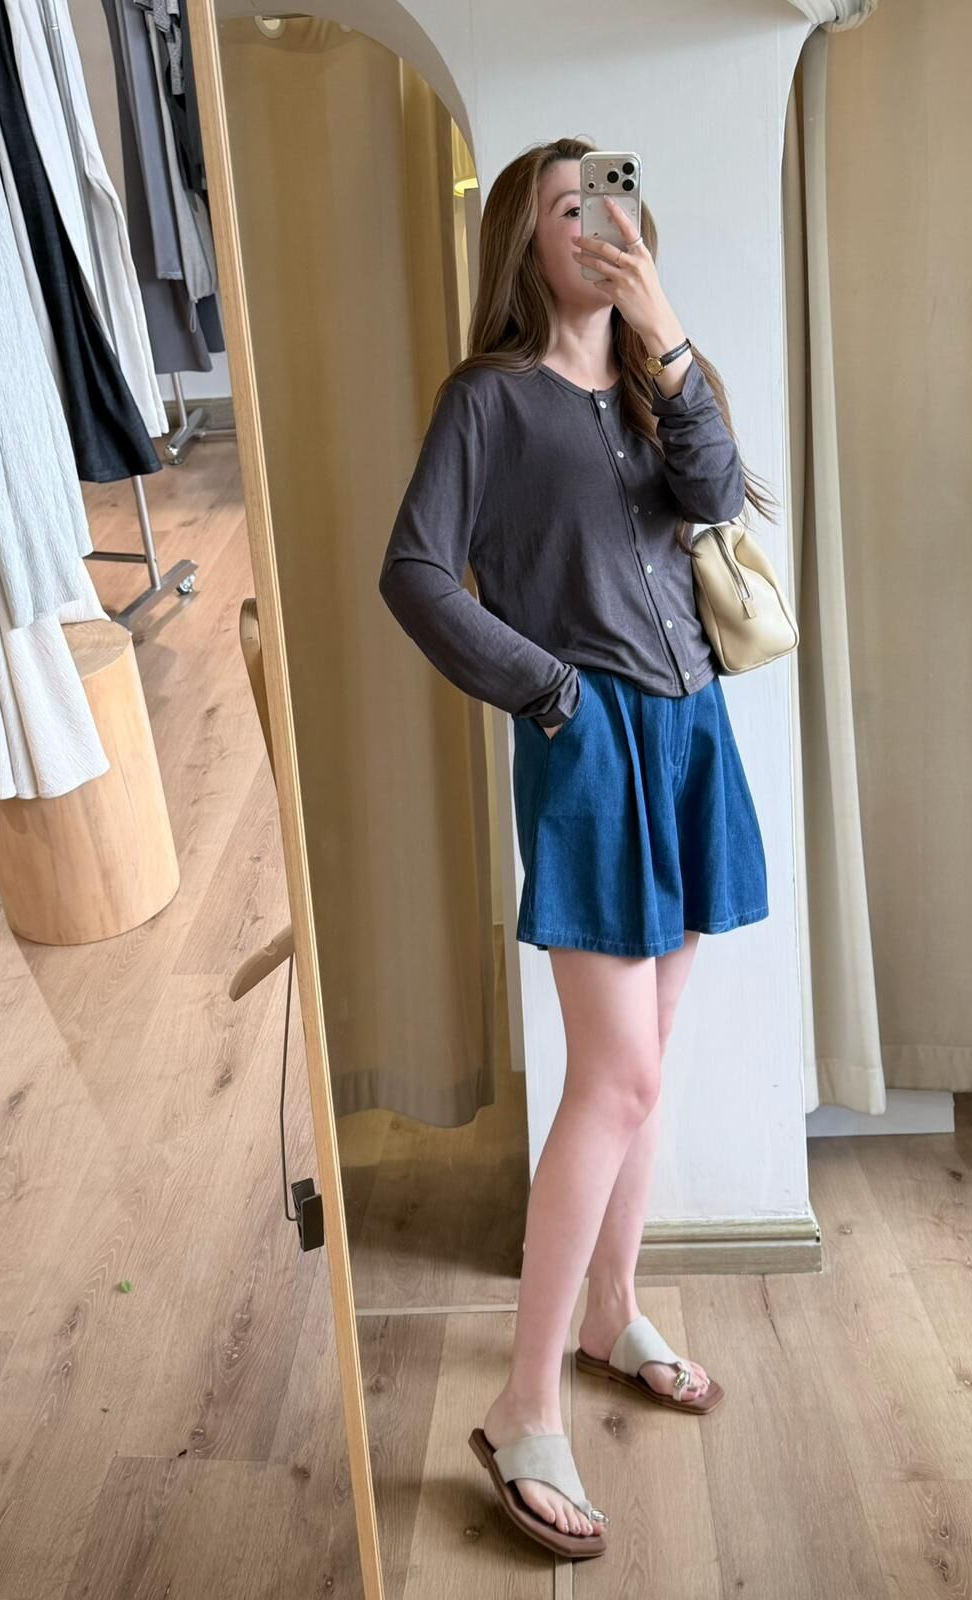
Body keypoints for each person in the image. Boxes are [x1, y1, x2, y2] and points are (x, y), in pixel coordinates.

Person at [377, 136, 776, 1559]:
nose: (597, 219)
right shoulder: (487, 398)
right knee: (616, 1080)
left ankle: (612, 1311)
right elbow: (414, 572)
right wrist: (546, 690)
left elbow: (715, 500)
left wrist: (665, 334)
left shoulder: (664, 382)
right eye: (566, 206)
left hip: (690, 734)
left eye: (610, 198)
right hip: (591, 749)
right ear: (524, 241)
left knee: (643, 1066)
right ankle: (522, 1403)